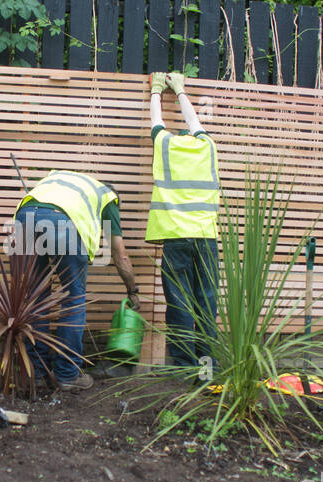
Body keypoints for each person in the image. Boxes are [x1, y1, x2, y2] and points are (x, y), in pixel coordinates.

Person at [13, 170, 138, 392]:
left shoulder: (66, 181)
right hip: (62, 224)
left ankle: (35, 374)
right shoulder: (107, 198)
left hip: (25, 216)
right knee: (73, 299)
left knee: (37, 298)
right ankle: (67, 375)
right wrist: (132, 290)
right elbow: (121, 255)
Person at [146, 70, 220, 370]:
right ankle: (206, 369)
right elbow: (194, 122)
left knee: (178, 301)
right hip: (205, 238)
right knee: (206, 302)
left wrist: (155, 90)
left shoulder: (165, 146)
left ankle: (185, 369)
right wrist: (180, 90)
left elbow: (156, 122)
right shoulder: (207, 148)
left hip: (177, 239)